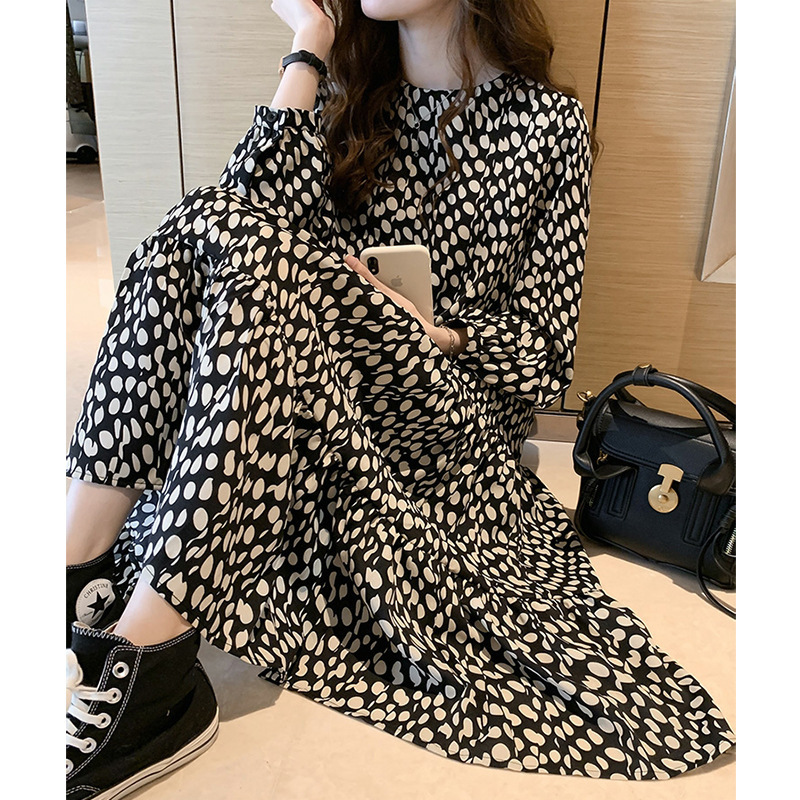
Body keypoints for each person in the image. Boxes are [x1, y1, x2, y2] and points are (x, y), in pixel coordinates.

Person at [65, 0, 735, 796]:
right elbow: (232, 226)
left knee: (226, 229)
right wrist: (309, 44)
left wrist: (437, 332)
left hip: (448, 417)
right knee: (207, 224)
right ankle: (77, 566)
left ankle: (151, 667)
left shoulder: (548, 127)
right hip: (328, 396)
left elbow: (546, 356)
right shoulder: (345, 100)